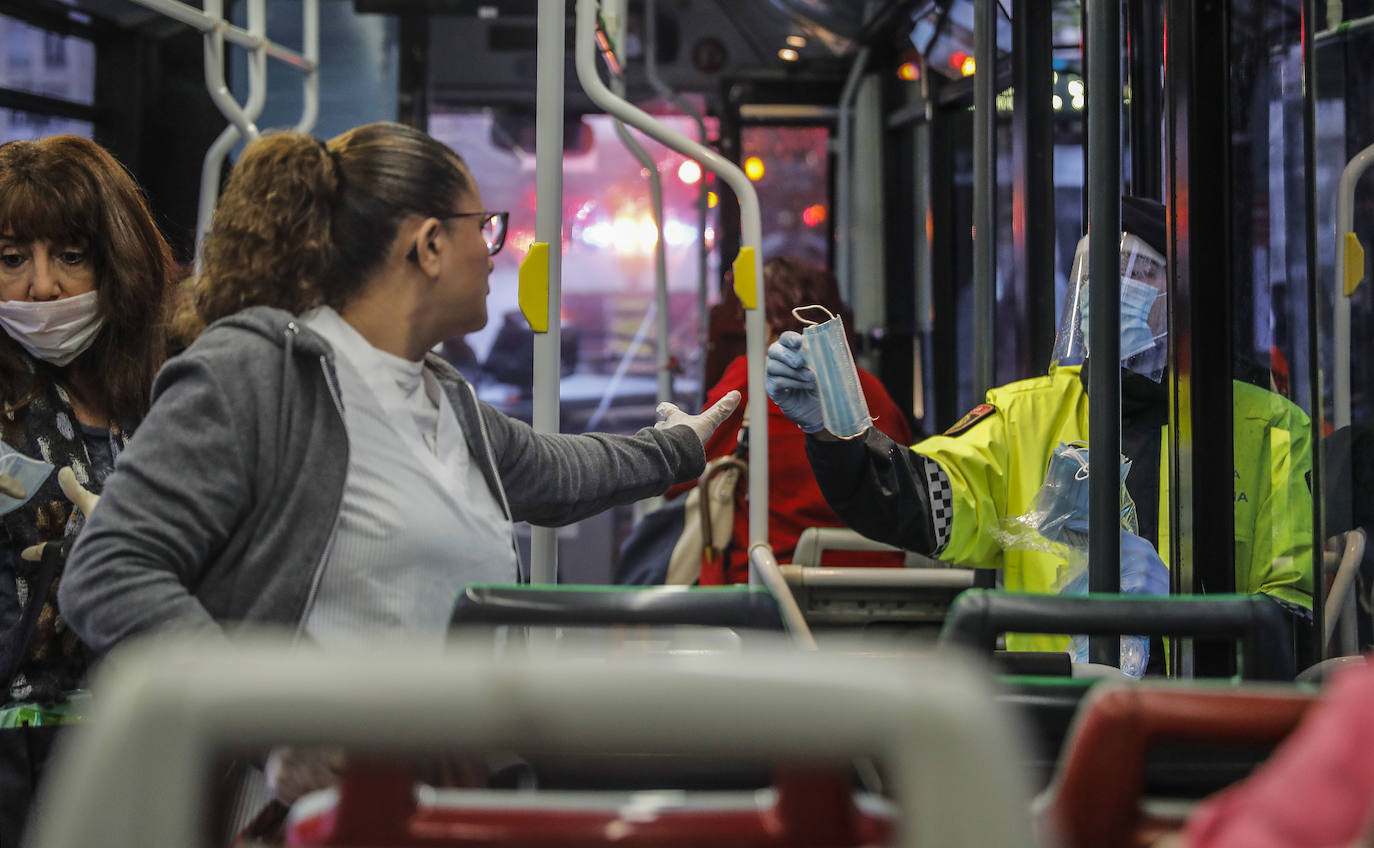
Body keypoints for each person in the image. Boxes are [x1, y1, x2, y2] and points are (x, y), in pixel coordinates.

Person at [57, 123, 736, 808]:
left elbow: (556, 473)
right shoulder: (260, 372)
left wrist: (680, 447)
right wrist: (270, 723)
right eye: (486, 228)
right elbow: (109, 573)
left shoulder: (441, 395)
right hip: (318, 804)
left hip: (447, 789)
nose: (496, 252)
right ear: (431, 244)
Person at [766, 197, 1313, 661]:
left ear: (1185, 297)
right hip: (1052, 714)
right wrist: (831, 429)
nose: (1110, 288)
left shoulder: (1270, 431)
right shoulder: (1023, 418)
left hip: (1210, 725)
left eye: (1139, 271)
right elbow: (916, 500)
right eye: (1096, 269)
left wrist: (1188, 609)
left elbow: (1296, 623)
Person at [0, 135, 177, 844]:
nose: (42, 287)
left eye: (71, 255)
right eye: (11, 258)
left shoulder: (173, 394)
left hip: (149, 737)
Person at [666, 256, 912, 584]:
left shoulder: (751, 380)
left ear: (761, 319)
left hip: (775, 581)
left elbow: (677, 474)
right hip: (883, 579)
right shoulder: (869, 389)